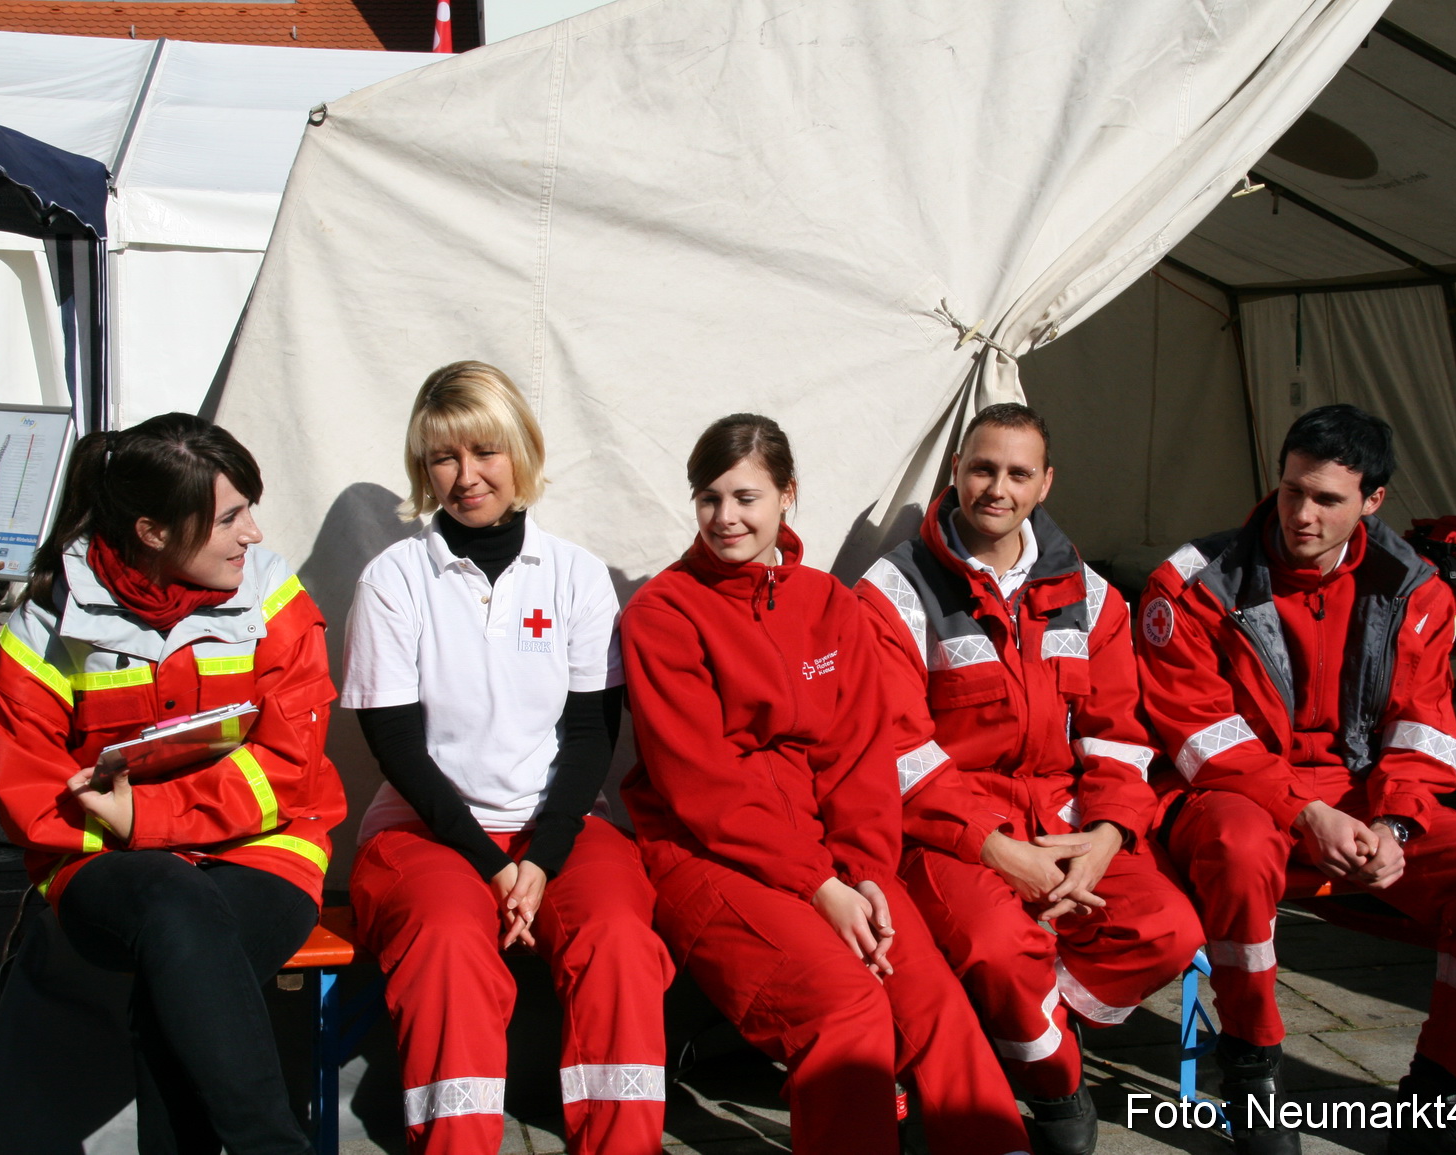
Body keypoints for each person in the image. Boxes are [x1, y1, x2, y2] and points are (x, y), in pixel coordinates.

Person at [618, 413, 1034, 1155]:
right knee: (845, 1010)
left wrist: (867, 874)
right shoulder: (664, 612)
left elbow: (862, 759)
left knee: (932, 1001)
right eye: (708, 498)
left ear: (787, 496)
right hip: (710, 856)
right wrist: (821, 886)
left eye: (745, 497)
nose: (726, 517)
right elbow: (703, 788)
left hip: (833, 857)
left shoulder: (829, 604)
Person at [1135, 404, 1456, 1155]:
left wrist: (1397, 824)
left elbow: (1425, 729)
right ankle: (1252, 1069)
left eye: (1327, 499)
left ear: (1373, 501)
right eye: (1292, 490)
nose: (1302, 513)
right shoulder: (1194, 585)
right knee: (1240, 846)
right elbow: (1198, 737)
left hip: (1365, 802)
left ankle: (1443, 1096)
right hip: (1235, 794)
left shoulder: (1417, 588)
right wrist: (1307, 812)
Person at [0, 413, 346, 1155]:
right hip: (104, 867)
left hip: (265, 853)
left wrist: (144, 814)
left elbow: (287, 767)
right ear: (151, 530)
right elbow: (35, 800)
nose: (254, 534)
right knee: (176, 913)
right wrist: (135, 830)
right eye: (231, 516)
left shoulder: (273, 597)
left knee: (178, 976)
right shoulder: (41, 626)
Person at [856, 402, 1204, 1155]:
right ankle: (1056, 1081)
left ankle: (1022, 1024)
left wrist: (1106, 839)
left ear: (1045, 483)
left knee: (1171, 929)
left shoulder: (1092, 591)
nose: (997, 488)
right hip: (952, 835)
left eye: (1018, 473)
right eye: (983, 468)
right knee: (998, 946)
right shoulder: (893, 589)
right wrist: (1004, 851)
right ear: (955, 472)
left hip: (1070, 826)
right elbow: (899, 752)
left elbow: (1120, 736)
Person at [341, 361, 672, 1155]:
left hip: (556, 828)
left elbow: (593, 732)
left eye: (484, 451)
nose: (466, 476)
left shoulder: (576, 575)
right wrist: (490, 863)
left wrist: (545, 855)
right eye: (442, 458)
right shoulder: (394, 579)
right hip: (427, 829)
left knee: (620, 937)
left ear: (520, 449)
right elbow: (394, 744)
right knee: (450, 947)